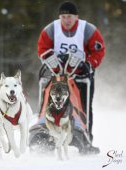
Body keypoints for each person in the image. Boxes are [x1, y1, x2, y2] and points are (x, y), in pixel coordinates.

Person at [36, 1, 105, 154]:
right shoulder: (51, 29)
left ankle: (86, 139)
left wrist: (89, 64)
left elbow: (98, 50)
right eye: (63, 16)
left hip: (82, 76)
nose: (66, 20)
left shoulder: (87, 29)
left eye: (69, 17)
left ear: (76, 17)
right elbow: (42, 48)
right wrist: (54, 66)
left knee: (85, 107)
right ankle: (47, 135)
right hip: (57, 75)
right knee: (50, 103)